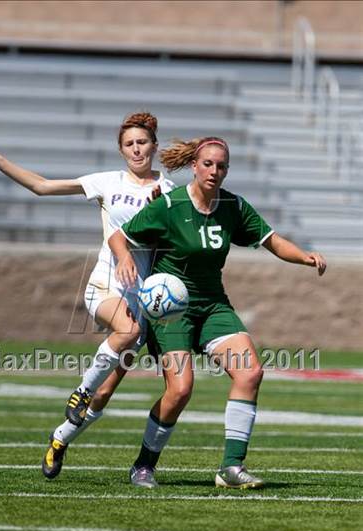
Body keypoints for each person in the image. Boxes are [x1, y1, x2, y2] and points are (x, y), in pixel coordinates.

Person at [0, 112, 175, 479]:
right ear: (121, 150)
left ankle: (59, 439)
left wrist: (160, 210)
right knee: (127, 332)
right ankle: (79, 392)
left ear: (154, 145)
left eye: (142, 142)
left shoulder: (169, 191)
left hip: (144, 297)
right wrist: (0, 162)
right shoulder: (107, 182)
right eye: (129, 144)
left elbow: (171, 241)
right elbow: (43, 186)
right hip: (106, 284)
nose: (136, 149)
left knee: (104, 394)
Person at [109, 136, 327, 489]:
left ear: (227, 170)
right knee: (180, 391)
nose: (214, 171)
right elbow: (119, 236)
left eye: (221, 165)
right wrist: (122, 259)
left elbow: (271, 240)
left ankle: (231, 468)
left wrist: (305, 256)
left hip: (213, 305)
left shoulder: (233, 207)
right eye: (207, 164)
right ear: (195, 166)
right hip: (171, 312)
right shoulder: (170, 205)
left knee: (250, 372)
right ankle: (143, 465)